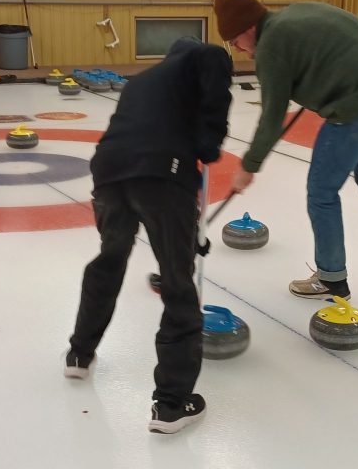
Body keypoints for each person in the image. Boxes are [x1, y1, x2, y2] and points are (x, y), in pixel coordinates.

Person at [213, 0, 358, 300]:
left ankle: (331, 277)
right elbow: (337, 47)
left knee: (322, 191)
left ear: (247, 28)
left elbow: (273, 117)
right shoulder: (297, 11)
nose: (241, 51)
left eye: (235, 42)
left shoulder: (271, 46)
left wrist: (249, 165)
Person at [65, 37, 233, 435]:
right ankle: (172, 405)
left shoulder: (145, 80)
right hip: (161, 173)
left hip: (108, 172)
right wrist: (210, 142)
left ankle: (79, 354)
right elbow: (214, 108)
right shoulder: (207, 57)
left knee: (111, 258)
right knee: (177, 281)